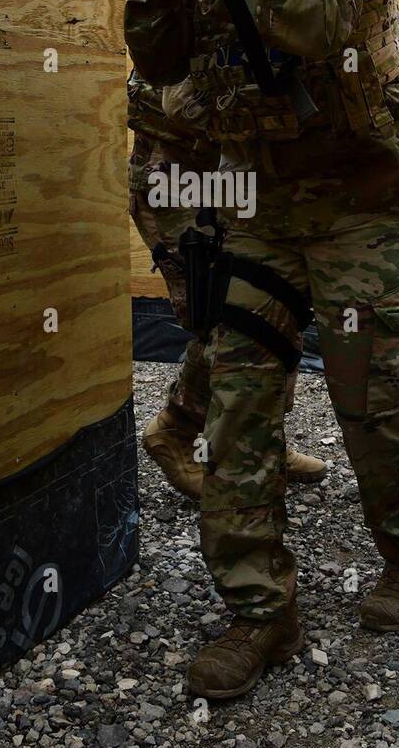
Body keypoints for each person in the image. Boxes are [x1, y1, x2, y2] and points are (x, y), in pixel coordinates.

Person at [101, 0, 399, 699]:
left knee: (368, 395)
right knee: (239, 403)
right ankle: (260, 615)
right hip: (254, 203)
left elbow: (320, 18)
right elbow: (156, 49)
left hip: (361, 199)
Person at [128, 67, 329, 500]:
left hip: (239, 170)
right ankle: (178, 431)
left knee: (275, 306)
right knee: (226, 316)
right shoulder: (196, 5)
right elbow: (175, 101)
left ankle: (259, 440)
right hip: (182, 174)